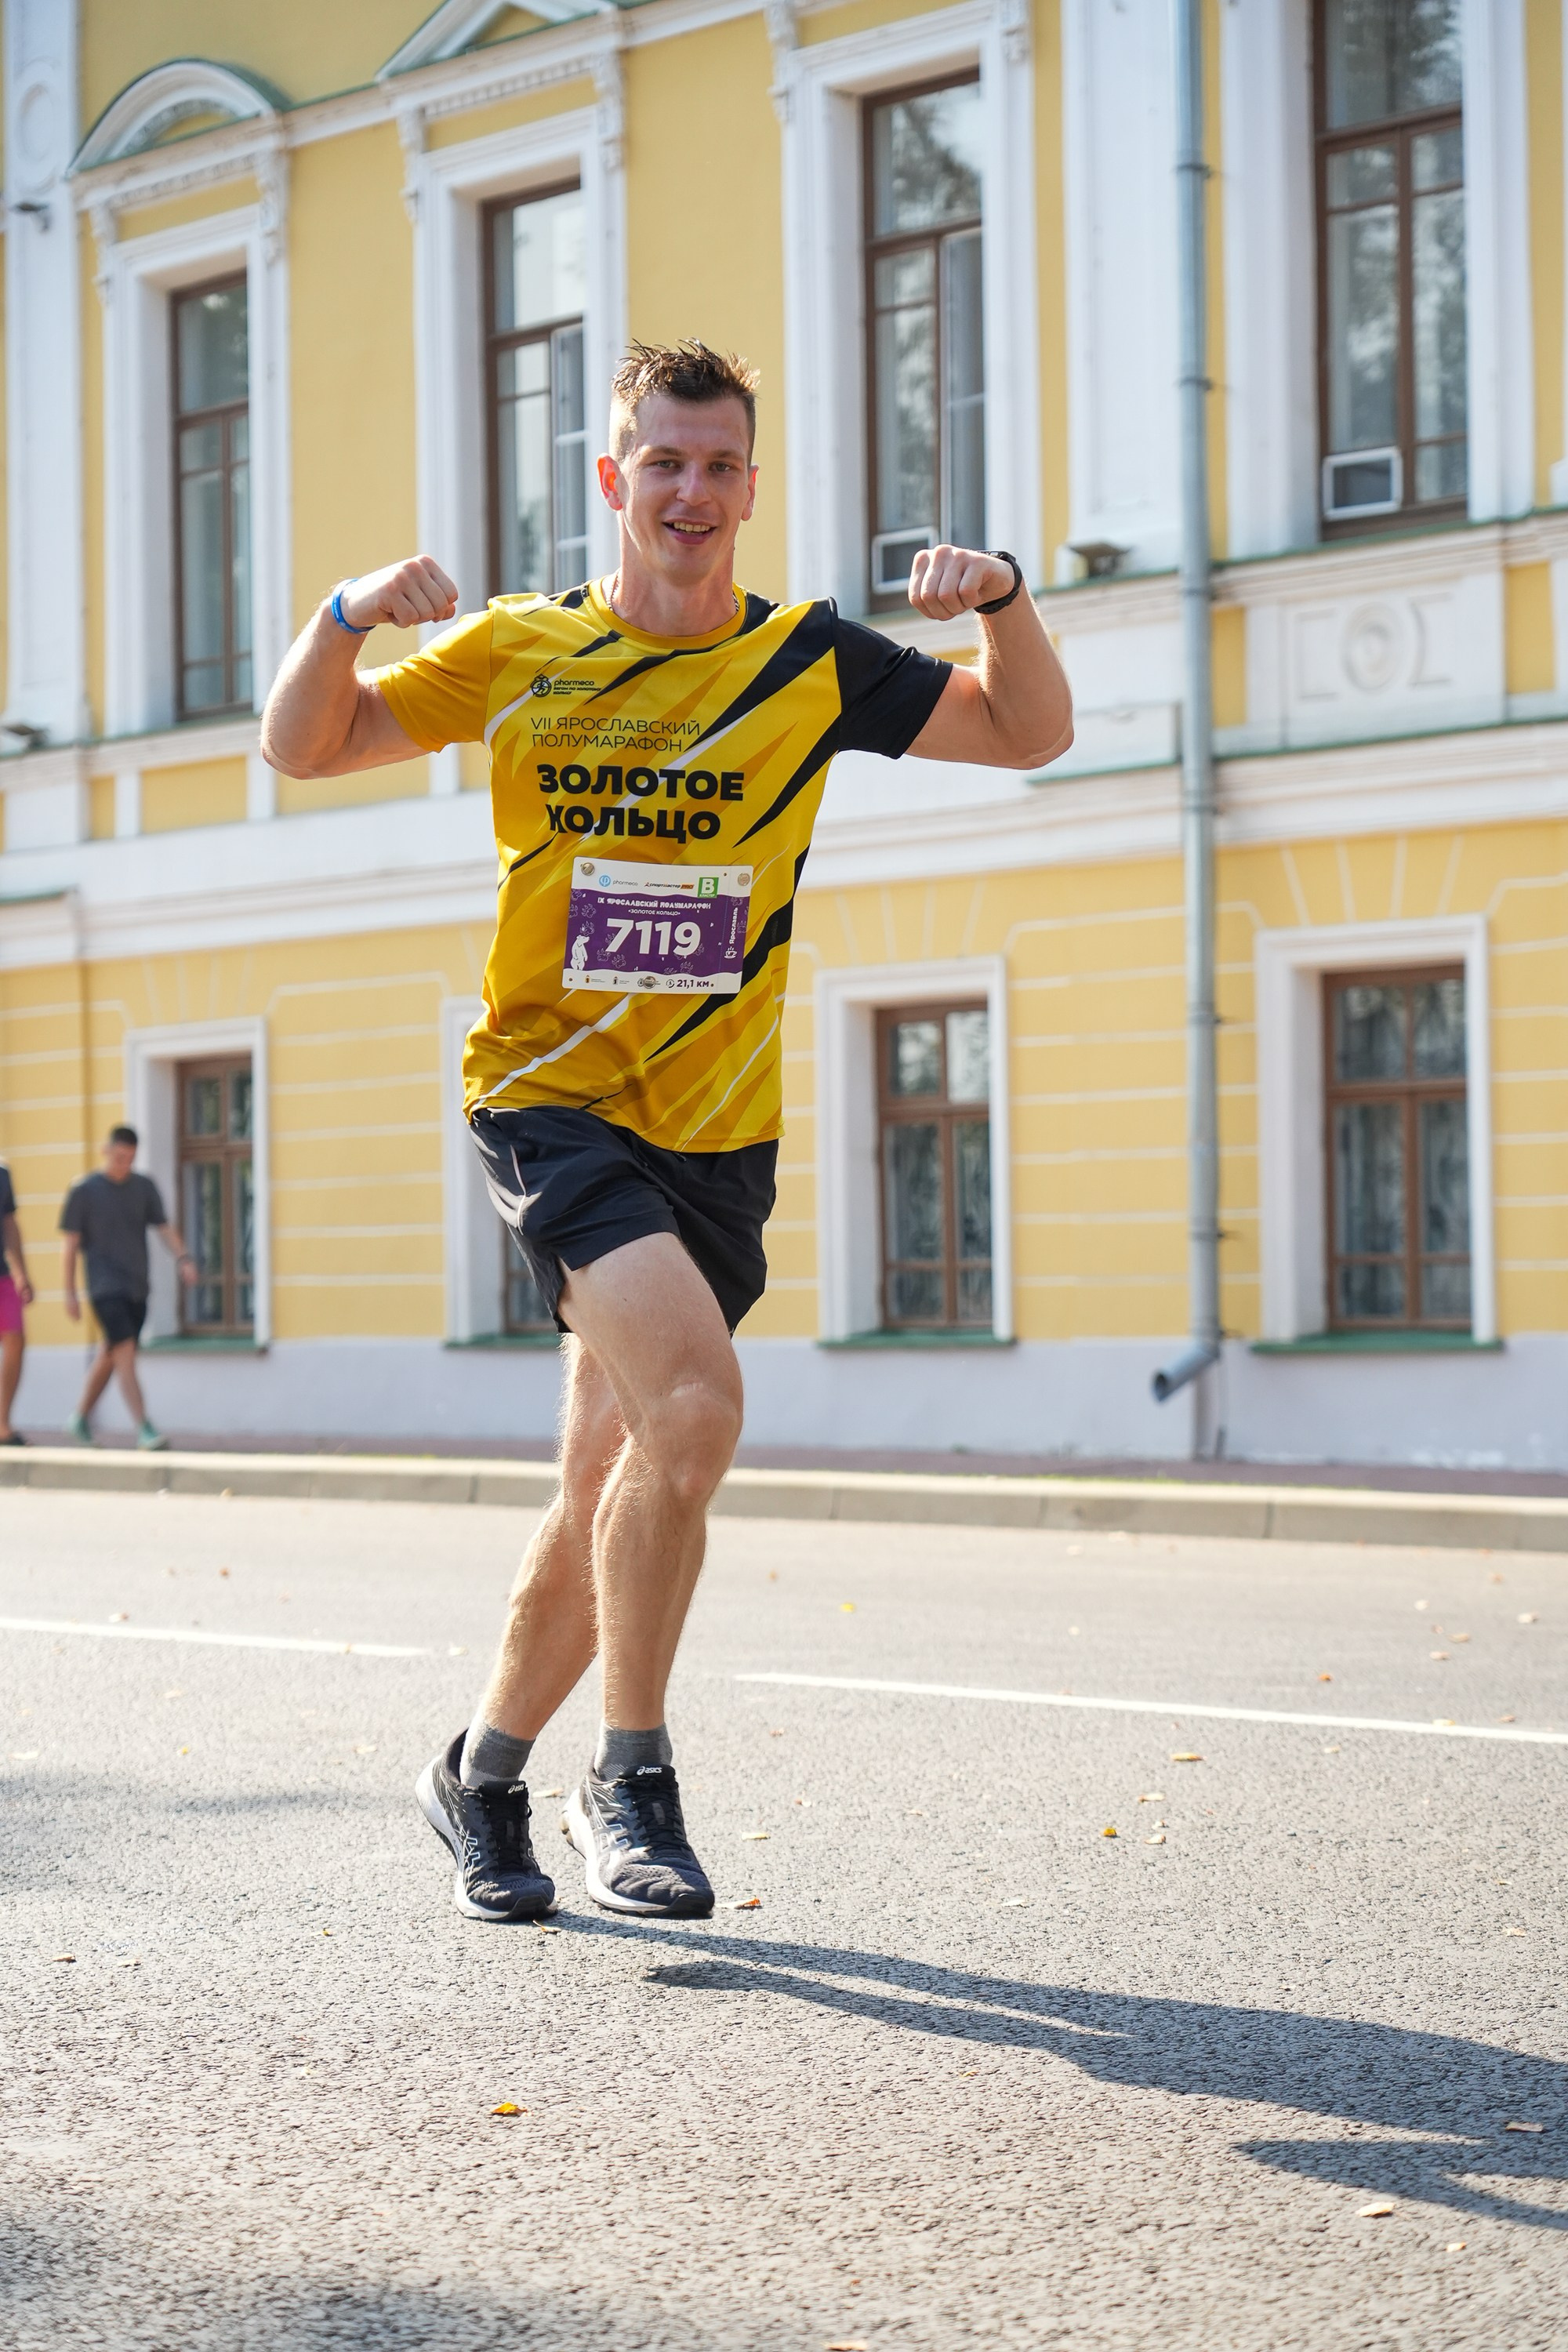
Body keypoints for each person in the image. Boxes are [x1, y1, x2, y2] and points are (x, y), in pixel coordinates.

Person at [260, 339, 1073, 1923]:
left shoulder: (804, 663)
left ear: (749, 491)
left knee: (612, 1482)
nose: (688, 492)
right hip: (550, 1099)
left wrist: (1005, 599)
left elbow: (1024, 731)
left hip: (716, 1132)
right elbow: (305, 744)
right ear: (612, 478)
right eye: (662, 463)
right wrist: (347, 615)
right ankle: (629, 1783)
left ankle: (478, 1776)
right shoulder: (521, 649)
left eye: (717, 468)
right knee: (696, 1408)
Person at [60, 1125, 198, 1452]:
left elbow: (164, 1227)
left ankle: (78, 1418)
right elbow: (69, 1245)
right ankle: (145, 1428)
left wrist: (184, 1257)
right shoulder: (84, 1191)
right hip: (104, 1289)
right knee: (125, 1354)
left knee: (111, 1354)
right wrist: (69, 1292)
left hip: (137, 1288)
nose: (125, 1164)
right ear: (106, 1151)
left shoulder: (143, 1187)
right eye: (120, 1157)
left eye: (131, 1159)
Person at [0, 1158, 34, 1445]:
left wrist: (22, 1273)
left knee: (15, 1339)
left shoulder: (2, 1173)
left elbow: (10, 1223)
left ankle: (2, 1424)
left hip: (3, 1276)